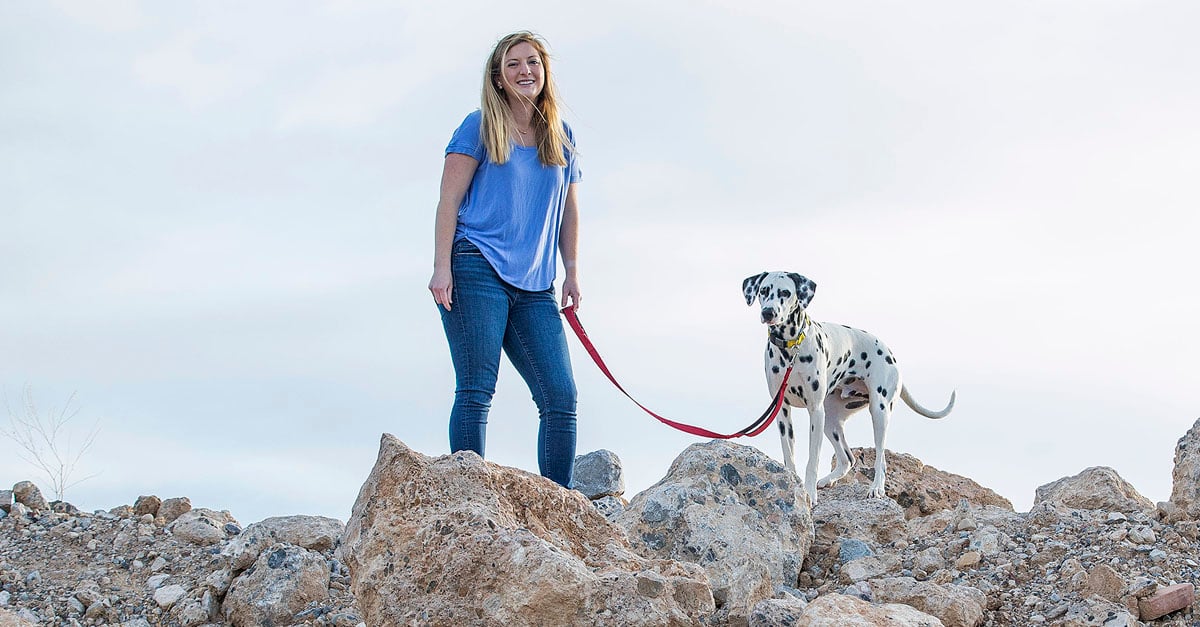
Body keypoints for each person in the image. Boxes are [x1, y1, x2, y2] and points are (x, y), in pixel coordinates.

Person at [428, 31, 582, 488]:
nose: (524, 71)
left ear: (544, 70)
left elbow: (569, 211)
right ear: (498, 77)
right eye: (513, 64)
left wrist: (572, 272)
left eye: (532, 62)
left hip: (536, 285)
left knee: (560, 396)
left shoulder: (562, 135)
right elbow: (447, 201)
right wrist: (442, 267)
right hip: (476, 266)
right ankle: (469, 499)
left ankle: (560, 504)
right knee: (476, 387)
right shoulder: (477, 127)